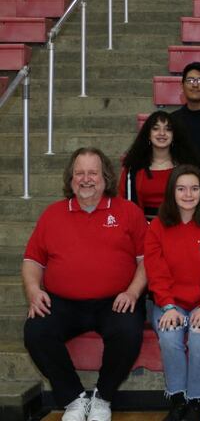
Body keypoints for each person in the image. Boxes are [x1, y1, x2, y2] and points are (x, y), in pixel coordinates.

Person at [23, 147, 148, 421]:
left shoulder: (129, 212)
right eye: (79, 173)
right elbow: (33, 261)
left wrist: (133, 291)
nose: (86, 179)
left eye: (93, 172)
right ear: (71, 179)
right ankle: (74, 399)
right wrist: (34, 290)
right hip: (63, 302)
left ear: (106, 178)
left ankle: (103, 397)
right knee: (36, 331)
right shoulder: (52, 215)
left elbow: (146, 260)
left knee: (128, 331)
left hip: (115, 300)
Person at [144, 165, 200, 421]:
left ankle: (197, 401)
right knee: (170, 337)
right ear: (172, 192)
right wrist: (168, 306)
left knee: (199, 336)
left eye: (194, 188)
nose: (188, 194)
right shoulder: (158, 226)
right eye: (181, 188)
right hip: (169, 302)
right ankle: (177, 399)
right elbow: (155, 270)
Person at [120, 111, 199, 219]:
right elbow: (125, 206)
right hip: (143, 229)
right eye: (156, 128)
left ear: (174, 135)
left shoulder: (187, 167)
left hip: (179, 225)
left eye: (168, 129)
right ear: (148, 134)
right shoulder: (132, 169)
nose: (162, 133)